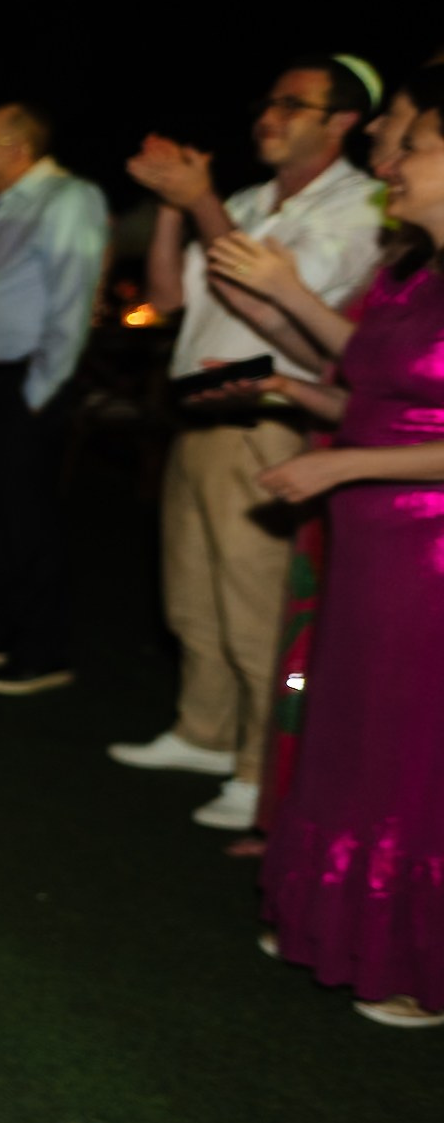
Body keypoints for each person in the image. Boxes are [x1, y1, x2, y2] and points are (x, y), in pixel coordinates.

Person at [112, 58, 386, 831]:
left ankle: (261, 766)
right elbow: (169, 298)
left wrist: (197, 199)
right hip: (199, 416)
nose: (270, 116)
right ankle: (203, 731)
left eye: (293, 105)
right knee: (191, 590)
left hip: (270, 417)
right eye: (269, 101)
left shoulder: (361, 205)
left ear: (343, 121)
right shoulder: (244, 201)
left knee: (253, 598)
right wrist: (175, 207)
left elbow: (259, 296)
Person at [237, 84, 444, 1026]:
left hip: (430, 542)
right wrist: (285, 316)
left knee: (411, 748)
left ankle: (411, 954)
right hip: (374, 536)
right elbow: (365, 372)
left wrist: (351, 464)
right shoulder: (415, 270)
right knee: (350, 733)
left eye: (416, 148)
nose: (391, 167)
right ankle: (337, 920)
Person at [0, 103, 110, 694]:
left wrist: (39, 389)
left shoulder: (67, 198)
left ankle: (42, 648)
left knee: (25, 516)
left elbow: (72, 302)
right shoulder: (9, 207)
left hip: (24, 383)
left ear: (16, 148)